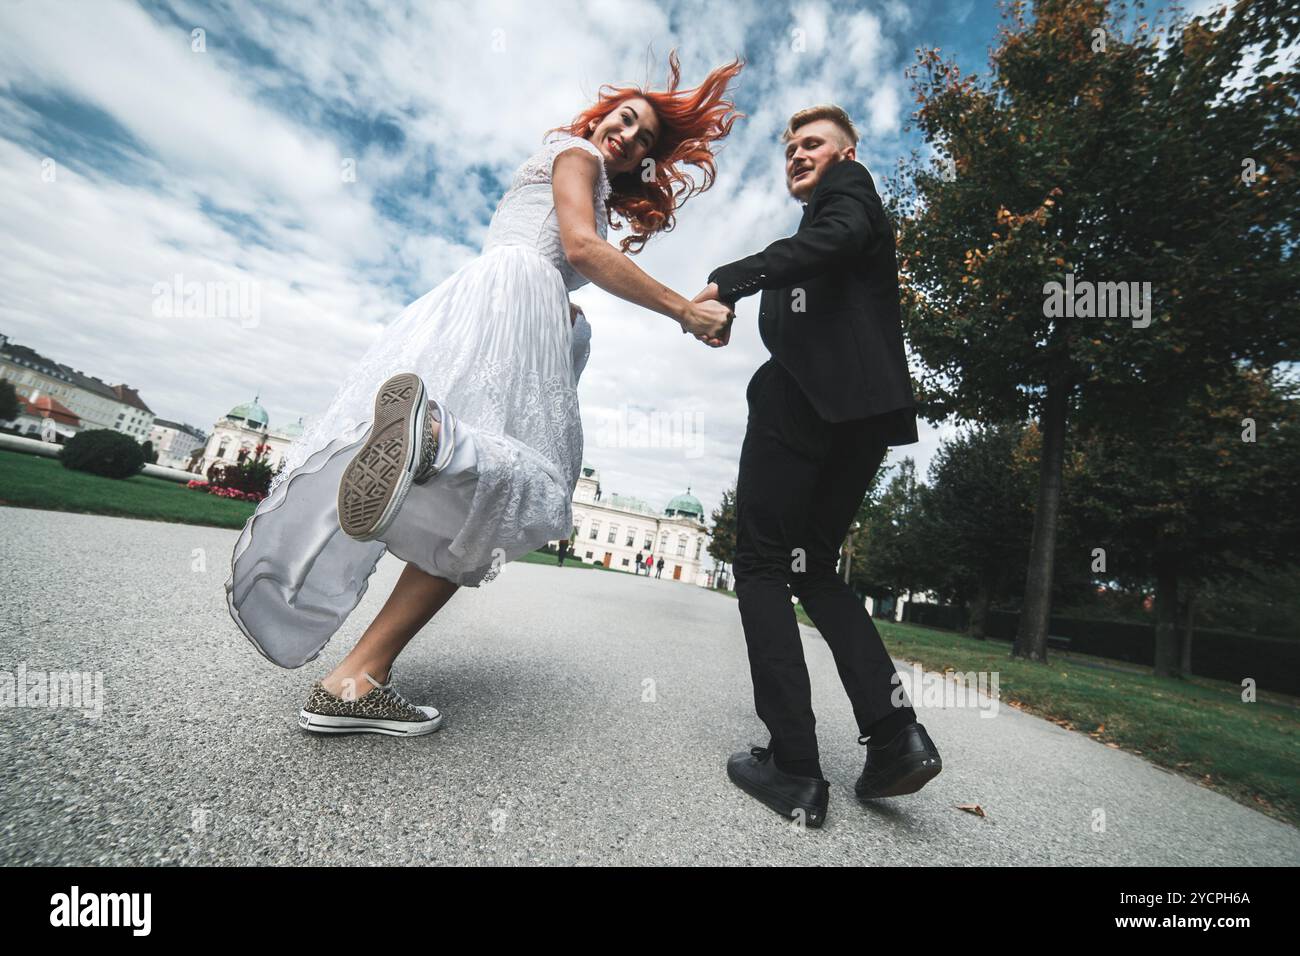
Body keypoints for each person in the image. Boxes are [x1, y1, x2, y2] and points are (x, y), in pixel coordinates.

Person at [226, 51, 743, 737]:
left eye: (645, 138)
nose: (628, 136)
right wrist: (682, 309)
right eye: (624, 119)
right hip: (511, 306)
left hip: (489, 304)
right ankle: (435, 441)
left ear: (646, 160)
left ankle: (355, 678)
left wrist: (570, 316)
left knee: (480, 517)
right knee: (525, 486)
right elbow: (583, 250)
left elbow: (562, 254)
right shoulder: (576, 155)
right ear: (601, 118)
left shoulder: (575, 171)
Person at [694, 105, 941, 827]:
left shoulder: (849, 191)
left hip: (805, 404)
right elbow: (828, 265)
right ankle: (896, 738)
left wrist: (729, 280)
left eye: (813, 144)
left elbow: (835, 239)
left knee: (763, 564)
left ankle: (795, 766)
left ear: (847, 151)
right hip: (858, 417)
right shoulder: (838, 208)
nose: (798, 154)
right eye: (792, 147)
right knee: (815, 569)